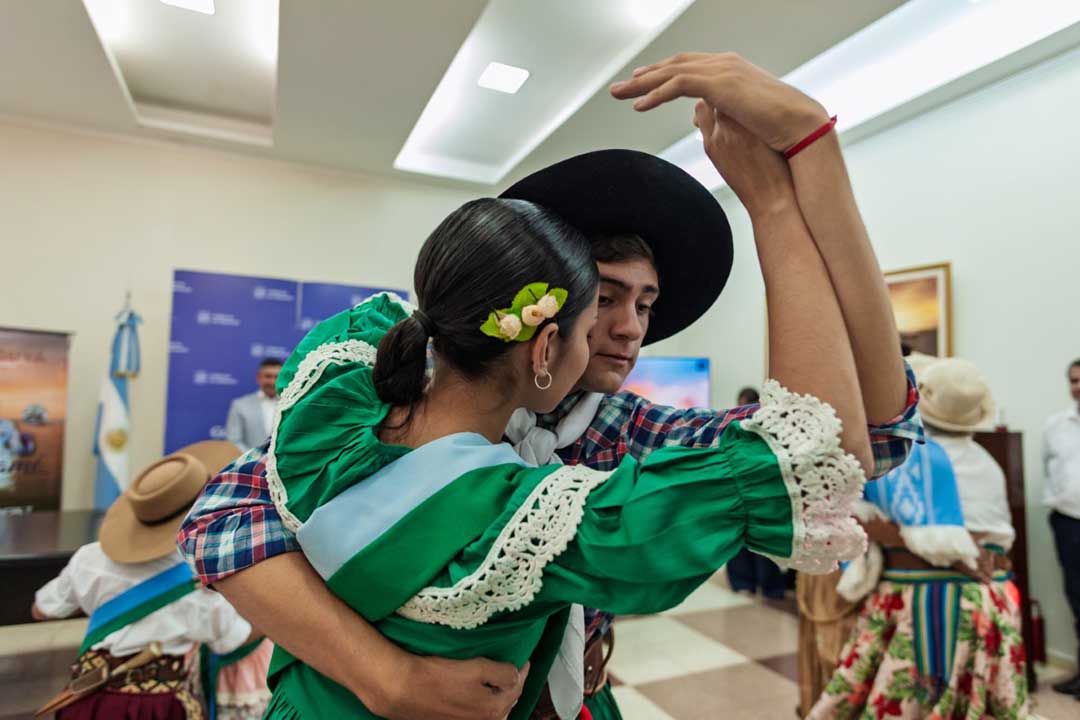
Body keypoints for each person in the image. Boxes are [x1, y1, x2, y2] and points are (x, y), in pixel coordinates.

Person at [179, 52, 920, 720]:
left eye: (648, 303)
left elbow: (862, 446)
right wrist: (386, 677)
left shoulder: (616, 427)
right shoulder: (391, 386)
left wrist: (813, 168)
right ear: (544, 313)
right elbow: (225, 520)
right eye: (603, 296)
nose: (631, 327)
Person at [809, 357, 1027, 719]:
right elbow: (993, 538)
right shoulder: (986, 462)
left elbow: (862, 520)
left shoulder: (907, 460)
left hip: (920, 597)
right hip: (989, 600)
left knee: (907, 698)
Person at [32, 441, 260, 720]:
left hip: (86, 700)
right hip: (155, 708)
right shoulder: (198, 585)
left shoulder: (89, 559)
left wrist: (101, 599)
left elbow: (42, 610)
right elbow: (232, 640)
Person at [725, 386, 788, 599]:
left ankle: (757, 585)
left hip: (755, 494)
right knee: (753, 543)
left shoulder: (748, 429)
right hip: (755, 494)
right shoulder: (741, 428)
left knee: (757, 544)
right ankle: (758, 585)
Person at [1045, 358, 1080, 695]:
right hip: (1069, 524)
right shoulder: (1056, 426)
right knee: (1076, 599)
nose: (1077, 386)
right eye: (1073, 380)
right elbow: (1050, 470)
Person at [225, 358, 282, 451]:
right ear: (259, 377)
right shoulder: (240, 405)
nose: (272, 382)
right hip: (249, 463)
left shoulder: (291, 406)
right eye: (268, 376)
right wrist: (255, 460)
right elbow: (234, 441)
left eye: (277, 377)